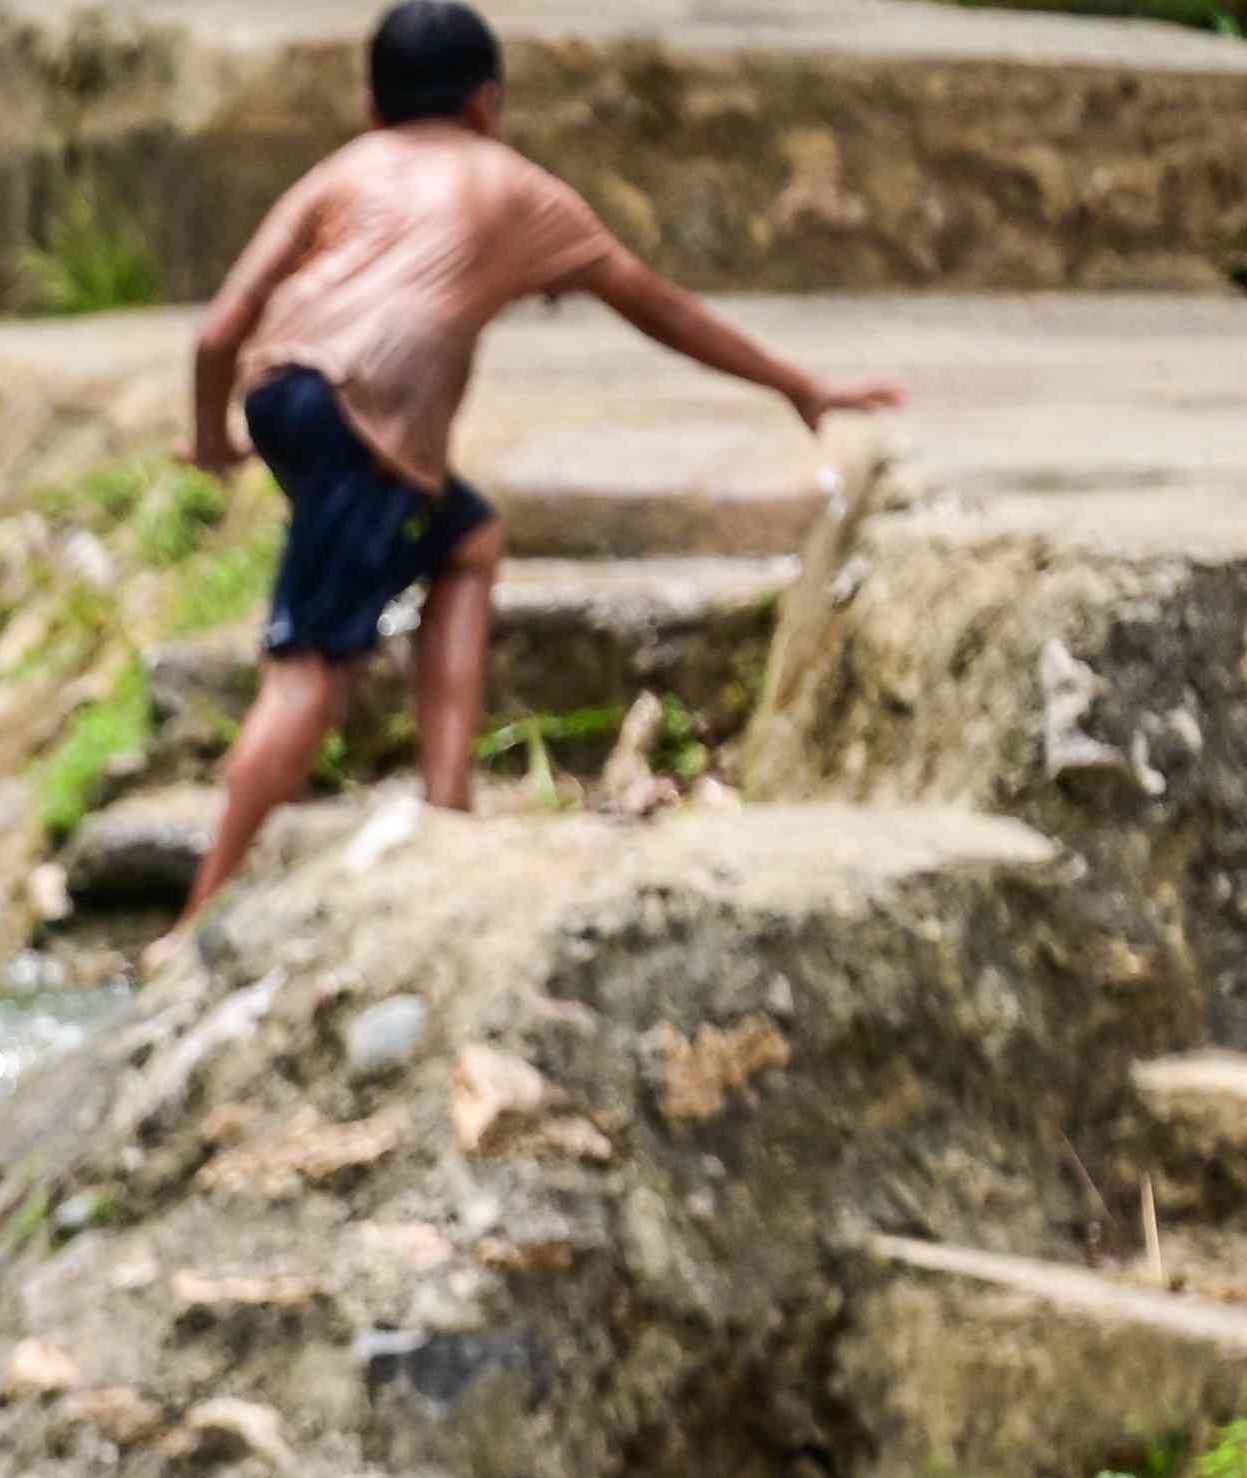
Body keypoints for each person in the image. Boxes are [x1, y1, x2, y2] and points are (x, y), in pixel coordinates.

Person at [172, 0, 899, 927]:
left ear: (371, 101)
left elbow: (218, 334)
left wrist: (211, 443)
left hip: (283, 397)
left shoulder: (343, 170)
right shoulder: (514, 185)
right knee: (311, 665)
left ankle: (448, 810)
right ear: (487, 103)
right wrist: (797, 385)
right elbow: (660, 306)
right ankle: (197, 920)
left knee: (468, 541)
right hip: (365, 412)